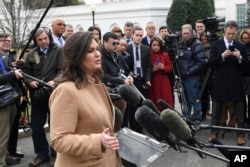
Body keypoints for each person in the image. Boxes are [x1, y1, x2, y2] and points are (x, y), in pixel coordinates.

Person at [49, 31, 122, 167]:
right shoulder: (66, 91)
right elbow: (59, 140)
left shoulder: (96, 84)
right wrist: (98, 141)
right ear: (76, 56)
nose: (97, 54)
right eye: (90, 51)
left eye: (97, 49)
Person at [22, 27, 62, 166]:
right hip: (38, 95)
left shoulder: (58, 51)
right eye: (40, 40)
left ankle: (56, 154)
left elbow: (62, 70)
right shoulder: (31, 54)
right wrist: (29, 82)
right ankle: (42, 154)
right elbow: (25, 72)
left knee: (55, 126)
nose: (44, 41)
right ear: (36, 41)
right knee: (36, 127)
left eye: (45, 38)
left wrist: (54, 81)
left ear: (49, 37)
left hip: (54, 94)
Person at [208, 20, 247, 145]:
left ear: (236, 32)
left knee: (240, 113)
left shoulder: (240, 45)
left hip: (236, 83)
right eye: (229, 33)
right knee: (216, 111)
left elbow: (246, 66)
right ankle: (214, 133)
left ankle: (240, 135)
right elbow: (211, 62)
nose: (231, 36)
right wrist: (222, 56)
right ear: (224, 31)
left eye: (233, 34)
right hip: (220, 82)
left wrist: (239, 57)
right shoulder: (216, 45)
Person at [100, 32, 133, 131]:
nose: (116, 46)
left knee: (119, 122)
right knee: (109, 123)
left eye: (117, 43)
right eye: (113, 43)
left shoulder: (117, 55)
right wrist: (122, 80)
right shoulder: (100, 56)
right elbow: (102, 76)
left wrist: (130, 76)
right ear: (104, 42)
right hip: (107, 93)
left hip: (119, 92)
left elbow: (126, 69)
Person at [0, 33, 25, 160]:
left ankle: (7, 155)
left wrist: (16, 67)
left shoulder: (7, 55)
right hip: (2, 100)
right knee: (3, 133)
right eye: (3, 40)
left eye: (9, 40)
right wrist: (12, 74)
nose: (6, 42)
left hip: (11, 97)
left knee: (10, 130)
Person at [177, 24, 206, 125]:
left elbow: (201, 62)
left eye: (187, 33)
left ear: (191, 33)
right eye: (183, 33)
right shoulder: (181, 44)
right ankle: (186, 118)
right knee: (185, 100)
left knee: (194, 99)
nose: (185, 35)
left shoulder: (197, 44)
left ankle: (196, 120)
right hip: (182, 77)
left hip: (191, 77)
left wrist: (189, 71)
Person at [126, 26, 152, 133]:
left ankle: (141, 126)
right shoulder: (127, 49)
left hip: (143, 81)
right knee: (133, 105)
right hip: (132, 81)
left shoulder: (146, 49)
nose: (139, 38)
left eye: (141, 36)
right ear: (132, 35)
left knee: (142, 105)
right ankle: (134, 127)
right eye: (137, 35)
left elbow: (148, 66)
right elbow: (126, 66)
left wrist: (148, 79)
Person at [149, 36, 173, 110]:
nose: (156, 47)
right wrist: (152, 70)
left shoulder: (165, 55)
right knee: (155, 99)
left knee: (166, 99)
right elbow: (146, 69)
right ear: (151, 46)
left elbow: (170, 68)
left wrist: (163, 68)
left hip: (164, 81)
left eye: (158, 45)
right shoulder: (149, 55)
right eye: (154, 45)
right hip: (154, 80)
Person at [199, 33, 213, 121]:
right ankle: (203, 113)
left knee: (213, 95)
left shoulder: (212, 47)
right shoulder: (199, 48)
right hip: (201, 75)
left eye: (205, 39)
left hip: (211, 74)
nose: (204, 41)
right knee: (203, 97)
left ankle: (214, 114)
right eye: (202, 39)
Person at [239, 28, 250, 127]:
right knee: (241, 100)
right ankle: (243, 120)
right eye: (244, 38)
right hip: (241, 76)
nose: (246, 40)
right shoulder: (240, 47)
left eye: (247, 38)